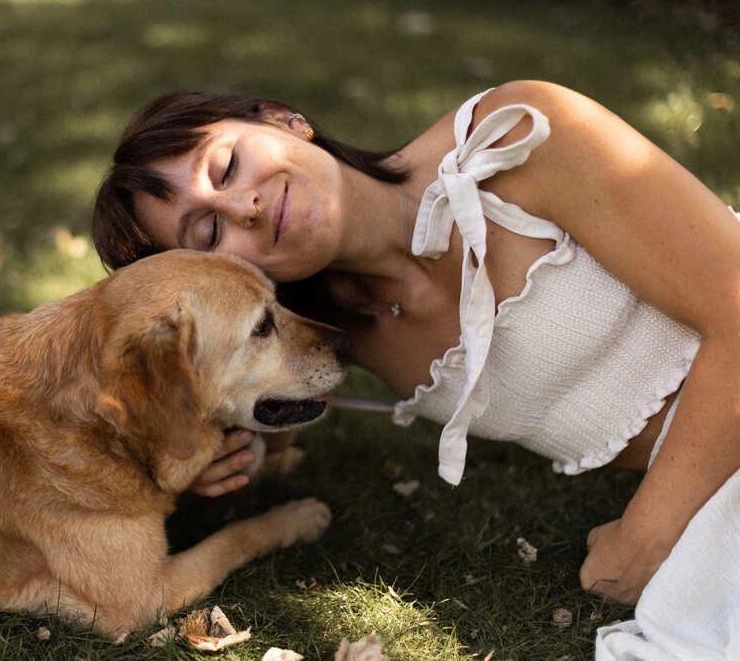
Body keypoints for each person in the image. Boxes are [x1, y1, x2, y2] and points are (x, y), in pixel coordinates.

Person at [90, 81, 740, 620]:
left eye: (228, 165)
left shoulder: (517, 138)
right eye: (209, 231)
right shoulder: (336, 326)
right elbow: (254, 421)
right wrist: (227, 456)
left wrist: (643, 540)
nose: (246, 206)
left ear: (283, 119)